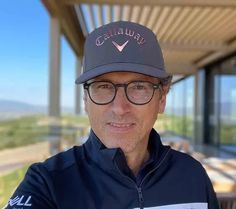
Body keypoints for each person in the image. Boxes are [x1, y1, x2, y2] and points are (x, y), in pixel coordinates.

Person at [5, 21, 219, 209]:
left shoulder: (192, 176)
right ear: (86, 100)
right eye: (104, 87)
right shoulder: (48, 184)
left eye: (138, 87)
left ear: (161, 99)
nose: (119, 107)